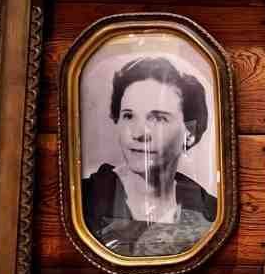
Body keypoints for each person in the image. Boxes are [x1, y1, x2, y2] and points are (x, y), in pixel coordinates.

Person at [81, 56, 217, 257]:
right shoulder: (84, 199)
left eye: (158, 118)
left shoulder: (211, 212)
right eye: (128, 115)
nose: (138, 133)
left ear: (190, 134)